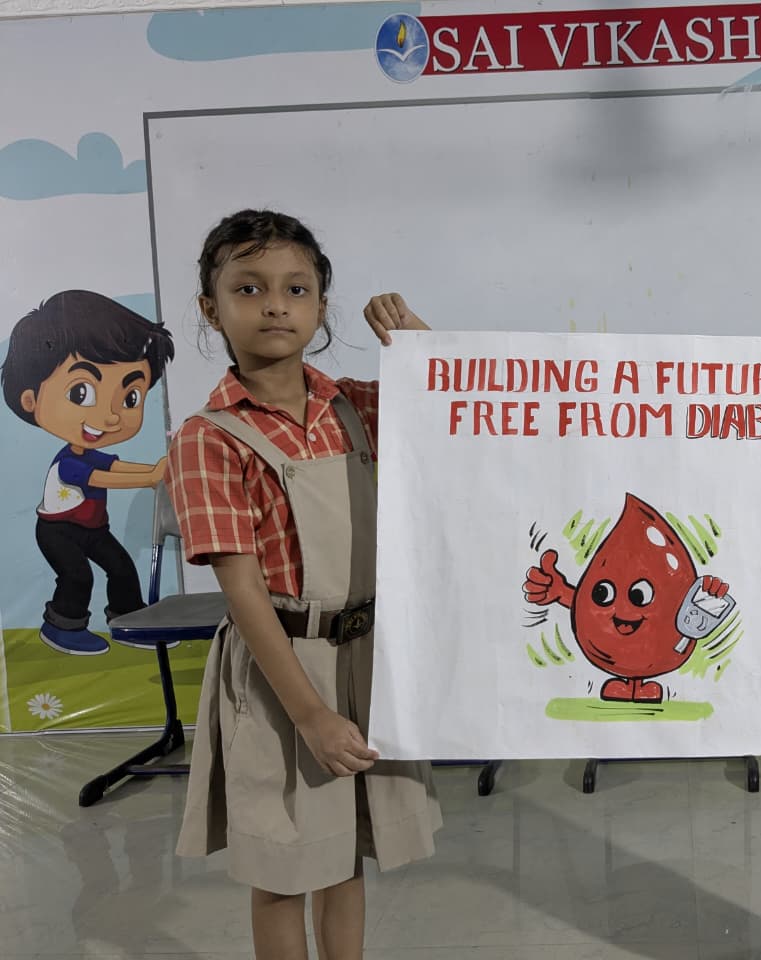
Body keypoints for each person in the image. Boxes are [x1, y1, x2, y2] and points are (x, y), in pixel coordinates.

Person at [167, 209, 442, 960]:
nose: (275, 305)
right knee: (286, 865)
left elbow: (455, 413)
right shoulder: (207, 438)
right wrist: (312, 715)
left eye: (297, 289)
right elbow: (243, 592)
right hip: (281, 668)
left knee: (344, 852)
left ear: (322, 306)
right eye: (248, 288)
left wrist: (417, 341)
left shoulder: (357, 406)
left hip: (367, 657)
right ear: (211, 309)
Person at [1, 290, 173, 655]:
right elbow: (103, 479)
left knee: (122, 568)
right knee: (78, 575)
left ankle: (129, 619)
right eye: (81, 393)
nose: (110, 416)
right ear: (31, 400)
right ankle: (62, 627)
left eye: (130, 397)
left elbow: (115, 465)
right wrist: (149, 478)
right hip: (57, 531)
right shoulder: (69, 463)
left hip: (94, 529)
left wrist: (154, 469)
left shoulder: (91, 454)